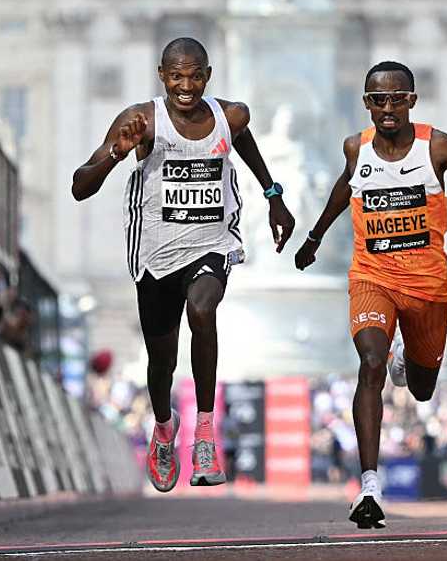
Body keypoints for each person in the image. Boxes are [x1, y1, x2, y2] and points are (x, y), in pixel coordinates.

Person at [71, 37, 295, 492]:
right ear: (162, 76)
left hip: (211, 244)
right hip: (155, 254)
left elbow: (243, 142)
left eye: (195, 77)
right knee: (162, 361)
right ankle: (163, 427)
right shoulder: (142, 120)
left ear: (208, 76)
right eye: (176, 77)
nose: (186, 86)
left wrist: (274, 196)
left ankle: (205, 435)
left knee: (203, 310)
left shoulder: (230, 116)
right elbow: (80, 187)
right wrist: (117, 153)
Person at [294, 60, 447, 529]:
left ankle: (407, 357)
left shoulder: (437, 146)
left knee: (422, 391)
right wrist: (314, 238)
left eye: (396, 99)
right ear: (366, 103)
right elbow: (343, 187)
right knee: (370, 362)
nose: (387, 108)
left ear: (411, 101)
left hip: (427, 285)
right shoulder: (356, 147)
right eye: (378, 100)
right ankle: (369, 485)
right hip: (373, 277)